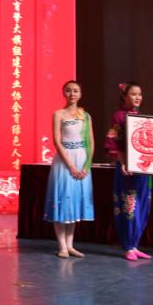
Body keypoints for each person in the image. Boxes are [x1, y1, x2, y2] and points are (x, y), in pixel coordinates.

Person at [44, 81, 95, 258]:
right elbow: (57, 142)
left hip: (82, 158)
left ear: (80, 94)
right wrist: (71, 166)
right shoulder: (58, 114)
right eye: (68, 90)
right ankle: (62, 246)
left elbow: (91, 142)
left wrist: (86, 165)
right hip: (64, 160)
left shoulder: (86, 116)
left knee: (74, 202)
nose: (72, 93)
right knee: (63, 201)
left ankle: (70, 245)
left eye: (75, 91)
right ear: (63, 93)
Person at [105, 82, 153, 261]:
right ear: (125, 97)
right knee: (129, 205)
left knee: (142, 204)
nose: (138, 97)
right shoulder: (119, 116)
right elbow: (114, 142)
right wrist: (122, 162)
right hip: (127, 167)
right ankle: (128, 245)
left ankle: (135, 244)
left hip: (142, 168)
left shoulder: (140, 118)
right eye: (133, 94)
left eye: (140, 94)